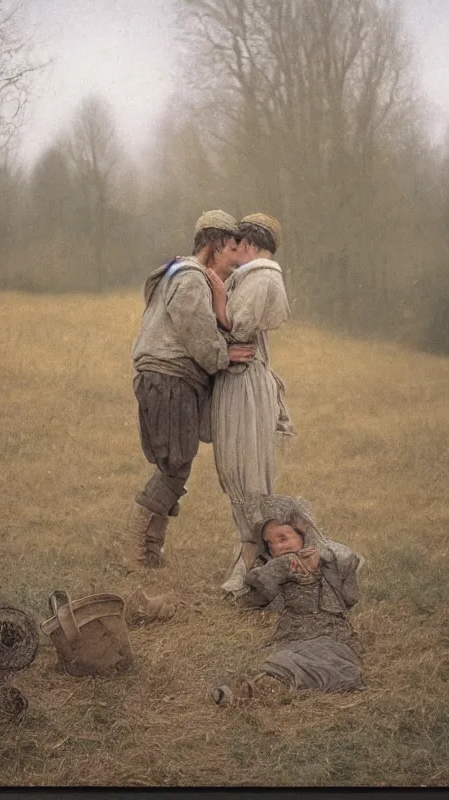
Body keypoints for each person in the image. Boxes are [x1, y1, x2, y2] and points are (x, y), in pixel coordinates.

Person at [130, 210, 255, 568]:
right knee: (175, 465)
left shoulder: (177, 271)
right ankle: (136, 548)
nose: (238, 260)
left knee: (176, 464)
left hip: (166, 379)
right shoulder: (190, 279)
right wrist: (225, 354)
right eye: (234, 248)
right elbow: (197, 336)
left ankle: (148, 550)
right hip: (170, 379)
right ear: (215, 245)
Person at [207, 213, 295, 597]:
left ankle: (254, 553)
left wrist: (219, 295)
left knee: (248, 469)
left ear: (250, 245)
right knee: (234, 469)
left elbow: (238, 328)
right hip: (235, 380)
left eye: (238, 242)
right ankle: (252, 549)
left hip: (246, 384)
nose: (234, 249)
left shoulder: (262, 277)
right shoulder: (252, 277)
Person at [214, 494, 365, 698]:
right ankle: (257, 689)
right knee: (280, 658)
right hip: (293, 637)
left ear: (302, 534)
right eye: (270, 543)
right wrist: (280, 567)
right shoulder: (272, 567)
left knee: (332, 661)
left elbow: (349, 593)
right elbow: (255, 596)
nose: (277, 548)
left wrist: (317, 568)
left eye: (283, 538)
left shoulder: (328, 558)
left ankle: (265, 688)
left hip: (332, 636)